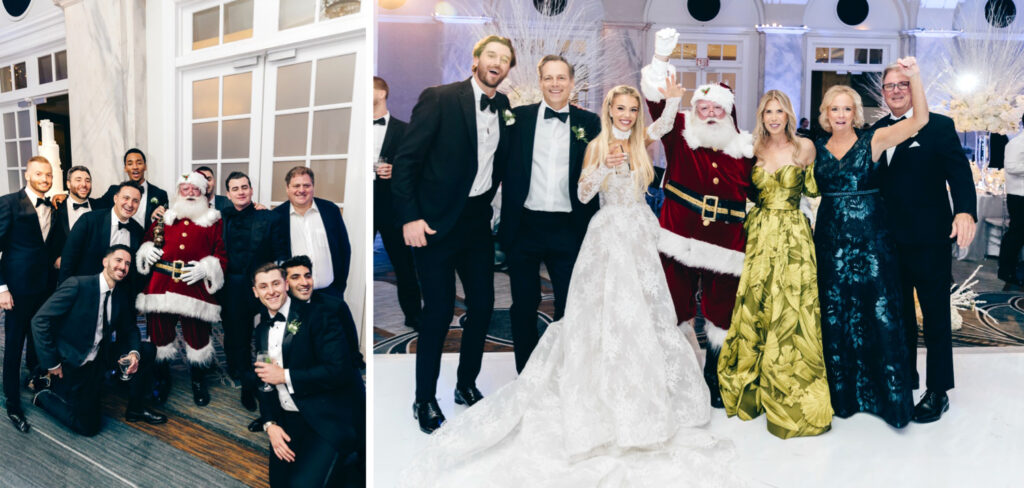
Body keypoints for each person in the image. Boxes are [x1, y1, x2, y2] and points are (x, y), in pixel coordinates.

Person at [398, 85, 746, 487]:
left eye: (633, 109)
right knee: (603, 312)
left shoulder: (642, 142)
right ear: (609, 110)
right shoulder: (598, 144)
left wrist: (667, 96)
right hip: (608, 235)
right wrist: (602, 167)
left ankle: (645, 389)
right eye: (621, 108)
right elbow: (583, 194)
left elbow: (666, 125)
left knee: (646, 312)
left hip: (641, 234)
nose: (628, 115)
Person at [391, 34, 515, 433]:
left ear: (509, 69)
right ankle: (423, 398)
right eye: (491, 55)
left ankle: (465, 384)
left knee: (482, 308)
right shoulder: (440, 98)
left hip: (477, 224)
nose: (497, 63)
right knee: (438, 313)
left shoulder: (506, 107)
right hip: (434, 225)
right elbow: (406, 161)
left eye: (505, 59)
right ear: (476, 59)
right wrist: (409, 217)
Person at [640, 27, 754, 408]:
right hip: (679, 236)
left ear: (728, 113)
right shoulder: (679, 138)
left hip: (727, 244)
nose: (708, 114)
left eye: (716, 109)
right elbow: (657, 106)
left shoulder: (745, 149)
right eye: (702, 108)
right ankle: (681, 371)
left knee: (722, 311)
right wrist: (659, 61)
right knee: (677, 305)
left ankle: (715, 373)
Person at [813, 57, 929, 428]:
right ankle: (842, 395)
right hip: (830, 243)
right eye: (835, 108)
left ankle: (886, 398)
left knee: (876, 311)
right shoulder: (813, 148)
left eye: (847, 108)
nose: (841, 114)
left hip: (872, 245)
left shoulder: (874, 140)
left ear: (856, 112)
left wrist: (915, 78)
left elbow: (920, 121)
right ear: (825, 113)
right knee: (837, 313)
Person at [717, 90, 833, 439]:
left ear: (789, 115)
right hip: (759, 235)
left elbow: (818, 196)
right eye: (768, 110)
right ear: (761, 115)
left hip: (795, 236)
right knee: (757, 306)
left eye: (779, 110)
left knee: (793, 309)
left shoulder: (805, 148)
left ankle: (792, 386)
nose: (773, 116)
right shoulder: (750, 147)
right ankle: (752, 383)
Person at [872, 62, 977, 423]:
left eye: (903, 84)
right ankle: (905, 377)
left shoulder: (939, 126)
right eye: (890, 86)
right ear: (883, 93)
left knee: (935, 317)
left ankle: (938, 391)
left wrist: (965, 211)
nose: (897, 90)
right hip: (889, 242)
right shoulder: (877, 130)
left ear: (913, 87)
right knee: (898, 315)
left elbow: (960, 175)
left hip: (930, 239)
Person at [499, 54, 602, 373]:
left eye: (561, 78)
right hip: (525, 226)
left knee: (570, 306)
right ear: (540, 82)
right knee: (523, 305)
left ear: (572, 83)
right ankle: (526, 373)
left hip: (569, 228)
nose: (555, 84)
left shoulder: (590, 123)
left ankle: (564, 370)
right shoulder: (518, 118)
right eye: (548, 78)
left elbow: (597, 173)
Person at [31, 245, 167, 436]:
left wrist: (133, 354)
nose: (123, 266)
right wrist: (51, 363)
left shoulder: (120, 294)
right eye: (118, 260)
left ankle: (135, 408)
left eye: (127, 263)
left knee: (147, 349)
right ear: (105, 262)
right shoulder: (78, 285)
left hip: (99, 357)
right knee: (89, 427)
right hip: (73, 362)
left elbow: (130, 329)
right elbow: (40, 321)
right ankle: (44, 396)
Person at [251, 263, 364, 487]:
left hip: (325, 417)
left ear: (285, 285)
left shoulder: (319, 315)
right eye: (263, 286)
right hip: (288, 420)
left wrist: (285, 376)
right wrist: (270, 424)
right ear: (256, 292)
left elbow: (338, 370)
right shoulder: (261, 329)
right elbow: (265, 381)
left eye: (275, 283)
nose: (271, 291)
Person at [136, 172, 226, 406]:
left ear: (203, 192)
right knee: (159, 336)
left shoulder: (214, 220)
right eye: (184, 189)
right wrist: (146, 250)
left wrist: (207, 268)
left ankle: (198, 380)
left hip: (193, 286)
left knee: (198, 337)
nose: (189, 193)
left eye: (194, 189)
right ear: (178, 192)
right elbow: (146, 241)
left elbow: (221, 254)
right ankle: (162, 379)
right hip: (162, 285)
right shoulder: (164, 217)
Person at [0, 156, 59, 433]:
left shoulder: (53, 207)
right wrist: (2, 288)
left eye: (48, 175)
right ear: (27, 175)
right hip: (17, 289)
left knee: (37, 338)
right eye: (39, 174)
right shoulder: (9, 202)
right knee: (13, 344)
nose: (45, 179)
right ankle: (12, 403)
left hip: (44, 288)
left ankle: (34, 379)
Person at [221, 171, 288, 410]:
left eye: (245, 187)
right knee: (236, 335)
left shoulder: (268, 218)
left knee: (267, 336)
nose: (241, 192)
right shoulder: (220, 217)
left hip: (263, 286)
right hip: (232, 286)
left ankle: (267, 376)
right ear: (228, 194)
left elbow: (281, 252)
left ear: (251, 190)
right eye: (235, 188)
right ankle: (245, 381)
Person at [373, 76, 422, 330]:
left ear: (382, 93)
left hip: (392, 208)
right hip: (365, 206)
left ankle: (414, 315)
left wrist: (396, 170)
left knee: (404, 266)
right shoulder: (355, 130)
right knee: (356, 262)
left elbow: (415, 167)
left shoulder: (404, 130)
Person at [271, 166, 350, 299]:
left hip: (330, 293)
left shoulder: (330, 211)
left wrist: (339, 286)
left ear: (313, 187)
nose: (301, 190)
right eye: (296, 186)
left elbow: (344, 249)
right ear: (287, 188)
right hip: (294, 296)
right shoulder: (276, 217)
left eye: (306, 185)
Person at [58, 181, 144, 283]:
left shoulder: (138, 230)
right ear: (115, 199)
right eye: (126, 198)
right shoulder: (89, 220)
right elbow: (68, 259)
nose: (130, 204)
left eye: (135, 201)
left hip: (120, 294)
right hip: (87, 288)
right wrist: (66, 291)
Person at [96, 148, 169, 227]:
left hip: (148, 238)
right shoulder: (114, 190)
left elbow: (164, 224)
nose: (135, 167)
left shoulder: (160, 194)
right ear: (125, 168)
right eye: (130, 164)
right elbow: (96, 206)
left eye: (139, 163)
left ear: (145, 166)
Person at [50, 166, 99, 267]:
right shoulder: (56, 208)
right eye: (78, 180)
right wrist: (55, 260)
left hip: (95, 271)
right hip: (66, 272)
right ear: (68, 184)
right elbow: (48, 239)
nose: (84, 185)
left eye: (87, 180)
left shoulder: (100, 206)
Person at [1000, 114, 1024, 290]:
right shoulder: (1015, 144)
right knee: (1016, 233)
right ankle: (1006, 270)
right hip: (1018, 195)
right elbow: (1011, 167)